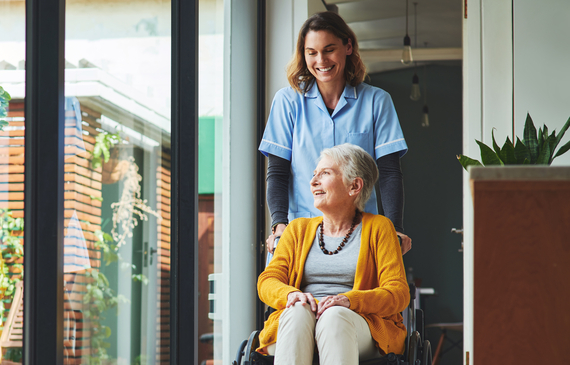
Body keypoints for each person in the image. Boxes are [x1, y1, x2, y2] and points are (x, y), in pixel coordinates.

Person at [259, 11, 412, 256]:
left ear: (348, 46)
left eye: (329, 49)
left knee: (359, 296)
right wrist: (279, 225)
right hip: (301, 236)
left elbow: (390, 173)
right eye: (312, 52)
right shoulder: (287, 102)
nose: (321, 60)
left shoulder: (377, 101)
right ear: (304, 55)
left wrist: (394, 229)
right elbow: (277, 172)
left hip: (360, 236)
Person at [257, 144, 409, 365]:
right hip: (298, 323)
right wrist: (291, 295)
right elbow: (267, 281)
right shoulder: (297, 229)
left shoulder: (379, 228)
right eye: (313, 174)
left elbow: (398, 292)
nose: (313, 182)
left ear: (354, 186)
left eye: (325, 173)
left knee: (334, 316)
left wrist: (349, 301)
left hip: (357, 322)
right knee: (298, 312)